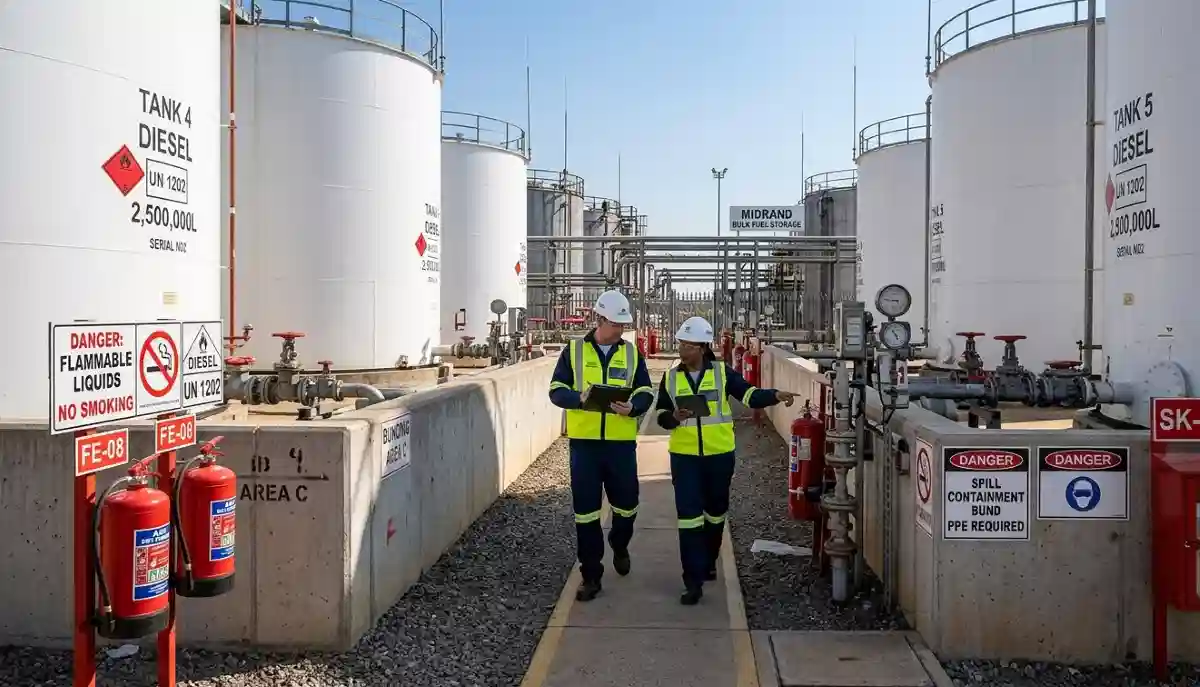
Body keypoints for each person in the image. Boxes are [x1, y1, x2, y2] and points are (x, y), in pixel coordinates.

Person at [655, 316, 795, 605]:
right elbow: (660, 416)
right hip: (684, 458)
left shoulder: (722, 373)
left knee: (715, 513)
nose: (681, 349)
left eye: (687, 345)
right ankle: (692, 581)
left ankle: (708, 560)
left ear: (702, 348)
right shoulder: (670, 378)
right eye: (681, 343)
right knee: (689, 518)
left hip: (719, 456)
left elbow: (749, 395)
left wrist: (775, 395)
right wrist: (673, 417)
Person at [548, 290, 656, 602]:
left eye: (623, 325)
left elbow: (646, 390)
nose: (620, 330)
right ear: (599, 319)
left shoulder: (632, 354)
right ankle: (591, 575)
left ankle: (620, 544)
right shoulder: (573, 352)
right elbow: (556, 390)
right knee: (586, 512)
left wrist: (633, 407)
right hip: (585, 446)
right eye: (615, 324)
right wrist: (578, 400)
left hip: (620, 446)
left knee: (628, 506)